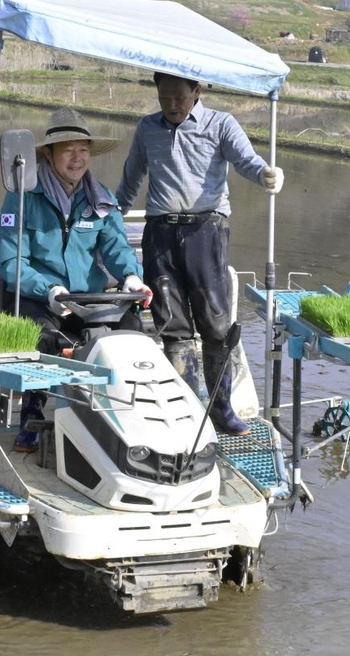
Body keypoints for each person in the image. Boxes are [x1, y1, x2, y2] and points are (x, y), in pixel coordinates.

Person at [115, 73, 284, 436]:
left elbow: (246, 160)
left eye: (179, 97)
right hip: (159, 232)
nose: (172, 105)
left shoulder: (221, 124)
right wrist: (112, 212)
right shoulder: (147, 129)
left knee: (216, 323)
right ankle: (189, 408)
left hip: (206, 230)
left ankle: (220, 408)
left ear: (197, 91)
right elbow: (132, 175)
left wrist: (266, 174)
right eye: (165, 98)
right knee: (171, 322)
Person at [0, 107, 153, 452]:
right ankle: (31, 416)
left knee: (133, 331)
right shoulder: (22, 197)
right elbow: (10, 263)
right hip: (41, 298)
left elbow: (116, 247)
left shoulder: (102, 198)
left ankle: (129, 418)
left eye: (83, 149)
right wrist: (48, 289)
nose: (77, 158)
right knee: (43, 337)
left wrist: (130, 277)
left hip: (92, 301)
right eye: (67, 150)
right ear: (49, 154)